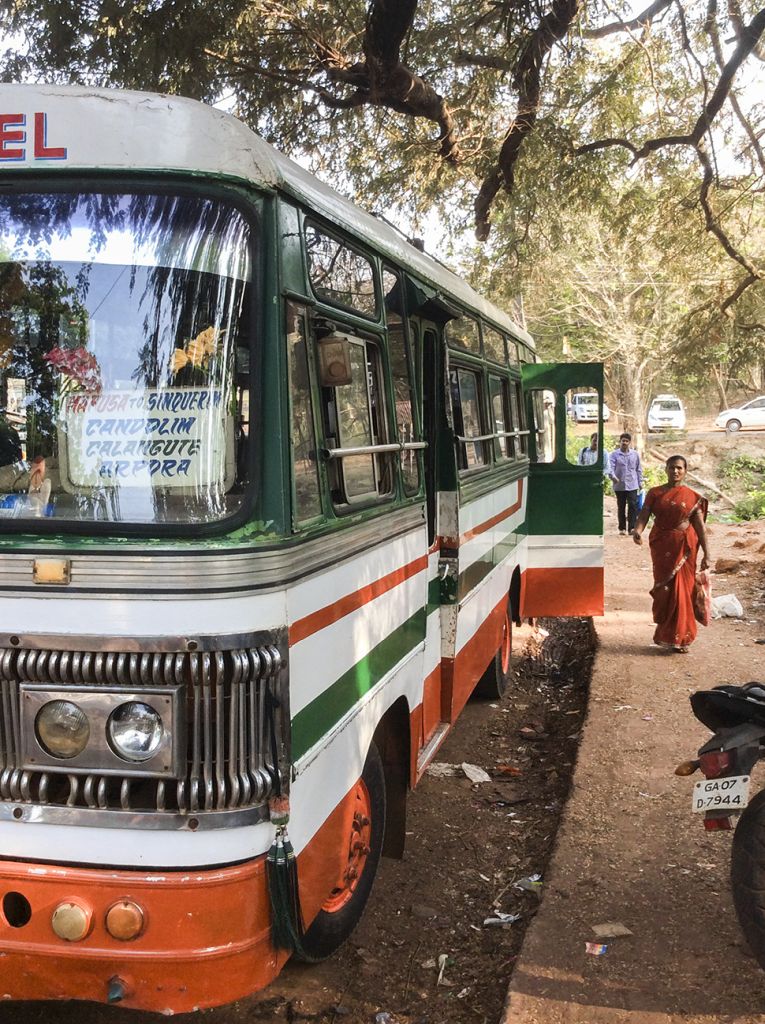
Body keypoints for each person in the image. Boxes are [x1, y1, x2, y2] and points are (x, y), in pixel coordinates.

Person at [632, 454, 711, 653]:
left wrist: (707, 554)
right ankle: (665, 635)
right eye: (672, 467)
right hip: (661, 546)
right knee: (664, 590)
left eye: (679, 468)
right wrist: (638, 530)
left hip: (684, 548)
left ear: (685, 471)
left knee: (682, 591)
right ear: (666, 469)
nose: (675, 471)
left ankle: (682, 638)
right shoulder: (654, 493)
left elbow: (700, 527)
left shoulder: (692, 496)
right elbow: (644, 514)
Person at [608, 432, 643, 535]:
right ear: (620, 442)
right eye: (623, 441)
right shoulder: (614, 454)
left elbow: (638, 469)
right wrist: (613, 477)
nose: (624, 443)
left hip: (632, 484)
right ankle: (622, 528)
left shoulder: (635, 454)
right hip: (620, 485)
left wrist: (640, 482)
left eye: (627, 441)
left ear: (629, 442)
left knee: (632, 505)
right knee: (621, 506)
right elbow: (610, 468)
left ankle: (632, 527)